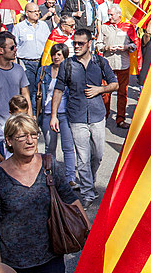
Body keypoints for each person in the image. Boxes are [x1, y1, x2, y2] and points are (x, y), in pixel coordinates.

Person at [0, 114, 85, 273]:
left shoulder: (49, 164)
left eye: (33, 134)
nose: (30, 141)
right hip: (14, 264)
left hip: (51, 258)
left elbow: (70, 198)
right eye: (23, 136)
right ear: (9, 141)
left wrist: (90, 237)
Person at [49, 28, 118, 208]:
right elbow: (58, 90)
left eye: (80, 43)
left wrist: (100, 89)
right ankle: (88, 191)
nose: (77, 46)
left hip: (97, 115)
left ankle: (90, 181)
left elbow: (115, 84)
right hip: (76, 116)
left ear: (89, 44)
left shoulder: (100, 62)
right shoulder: (67, 64)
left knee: (98, 155)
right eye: (75, 43)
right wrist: (54, 115)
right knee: (83, 157)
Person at [38, 43, 75, 185]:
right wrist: (35, 115)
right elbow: (37, 93)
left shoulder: (70, 71)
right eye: (54, 54)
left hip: (65, 113)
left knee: (68, 146)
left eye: (59, 54)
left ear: (65, 56)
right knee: (50, 147)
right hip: (47, 113)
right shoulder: (43, 71)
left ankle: (70, 177)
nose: (56, 57)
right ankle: (50, 174)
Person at [96, 4, 136, 128]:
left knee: (122, 92)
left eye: (111, 14)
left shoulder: (128, 27)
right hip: (108, 64)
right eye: (108, 14)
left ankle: (121, 119)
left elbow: (134, 45)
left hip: (123, 64)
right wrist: (106, 47)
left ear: (119, 14)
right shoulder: (104, 27)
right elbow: (98, 44)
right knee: (106, 92)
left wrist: (126, 47)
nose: (109, 17)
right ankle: (104, 115)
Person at [11, 2, 50, 103]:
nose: (37, 14)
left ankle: (39, 115)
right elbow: (14, 47)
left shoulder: (44, 26)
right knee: (29, 91)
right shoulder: (19, 28)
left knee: (42, 91)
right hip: (27, 63)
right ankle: (30, 115)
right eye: (34, 12)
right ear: (27, 13)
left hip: (42, 62)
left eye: (38, 11)